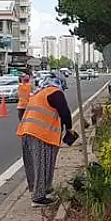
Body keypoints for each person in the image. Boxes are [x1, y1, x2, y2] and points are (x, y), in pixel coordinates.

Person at [17, 77, 78, 206]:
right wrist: (69, 128)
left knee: (33, 165)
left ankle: (42, 189)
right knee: (42, 164)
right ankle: (38, 197)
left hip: (27, 131)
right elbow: (65, 112)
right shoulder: (55, 92)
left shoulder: (39, 92)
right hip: (40, 134)